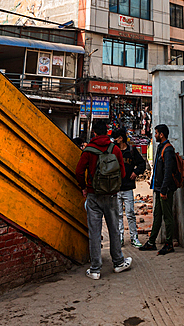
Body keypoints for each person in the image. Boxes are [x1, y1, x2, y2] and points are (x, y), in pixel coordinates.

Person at [75, 119, 132, 280]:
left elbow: (79, 172)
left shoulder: (88, 150)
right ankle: (119, 262)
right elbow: (122, 173)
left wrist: (84, 187)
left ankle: (95, 269)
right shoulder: (115, 149)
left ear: (93, 132)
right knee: (114, 229)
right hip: (112, 196)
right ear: (107, 131)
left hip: (93, 195)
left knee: (94, 232)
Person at [140, 124, 178, 255]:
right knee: (157, 215)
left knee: (167, 217)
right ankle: (151, 242)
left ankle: (169, 244)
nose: (154, 135)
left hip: (164, 189)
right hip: (158, 187)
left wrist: (164, 189)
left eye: (156, 133)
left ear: (161, 134)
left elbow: (168, 172)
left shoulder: (167, 150)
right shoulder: (161, 147)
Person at [115, 129, 146, 247]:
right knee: (118, 214)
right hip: (116, 188)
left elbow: (142, 164)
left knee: (130, 213)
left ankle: (134, 237)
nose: (115, 140)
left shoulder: (131, 151)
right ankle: (120, 237)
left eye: (116, 138)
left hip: (127, 187)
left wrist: (136, 172)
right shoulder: (114, 151)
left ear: (121, 138)